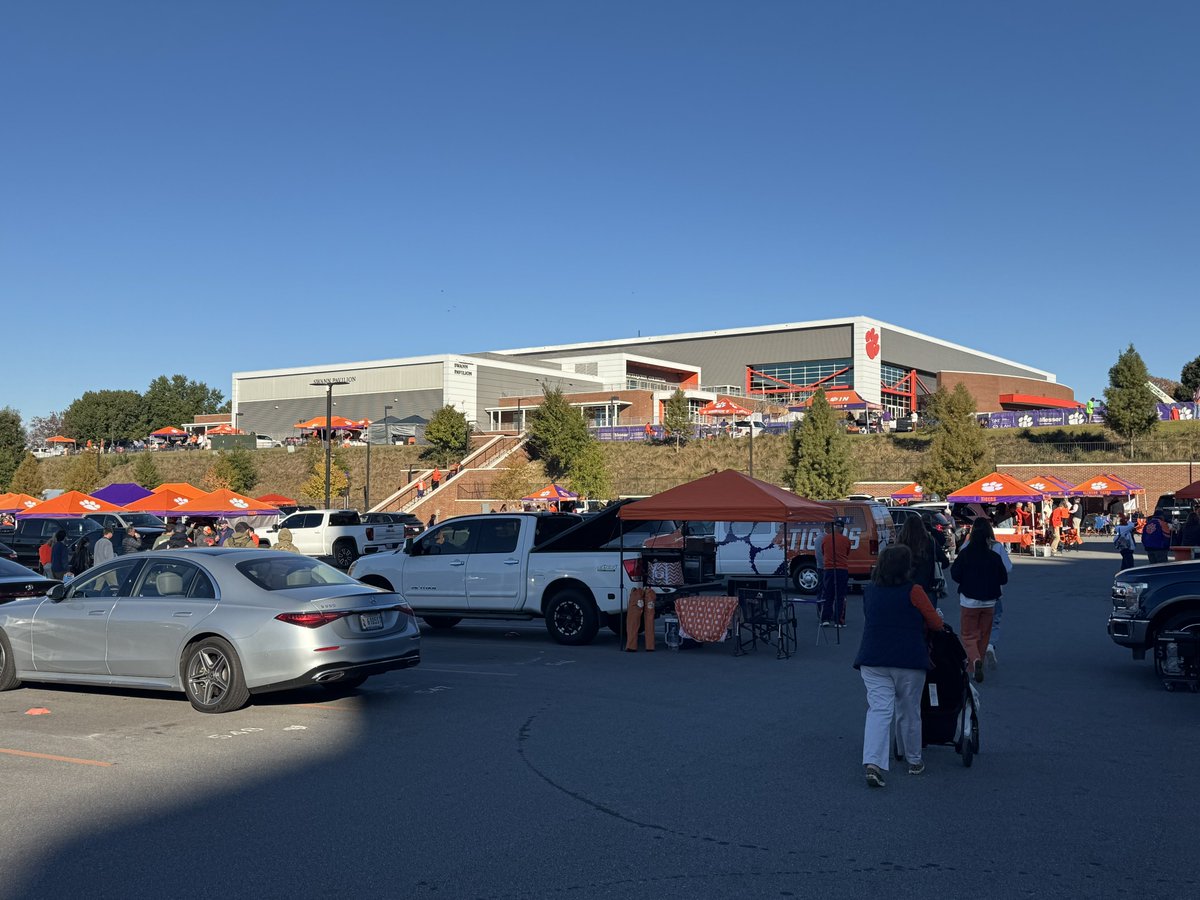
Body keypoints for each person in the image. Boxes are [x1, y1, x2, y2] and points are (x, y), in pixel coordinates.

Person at [853, 544, 944, 787]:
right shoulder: (914, 591)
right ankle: (914, 759)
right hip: (908, 659)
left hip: (872, 657)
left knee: (879, 710)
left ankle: (873, 762)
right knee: (909, 708)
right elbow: (935, 622)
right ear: (906, 567)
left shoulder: (870, 590)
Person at [950, 518, 1009, 683]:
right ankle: (978, 661)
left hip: (969, 600)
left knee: (969, 635)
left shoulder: (965, 554)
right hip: (990, 601)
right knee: (984, 634)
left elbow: (955, 574)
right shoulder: (993, 556)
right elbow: (1003, 578)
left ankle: (975, 661)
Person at [896, 518, 949, 608]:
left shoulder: (900, 543)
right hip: (928, 587)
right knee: (929, 617)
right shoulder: (931, 541)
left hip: (905, 588)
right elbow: (945, 562)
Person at [820, 520, 851, 627]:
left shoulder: (826, 538)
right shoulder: (846, 540)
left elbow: (823, 551)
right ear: (842, 528)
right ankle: (839, 621)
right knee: (840, 595)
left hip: (828, 569)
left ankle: (825, 618)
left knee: (828, 594)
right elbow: (847, 552)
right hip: (841, 569)